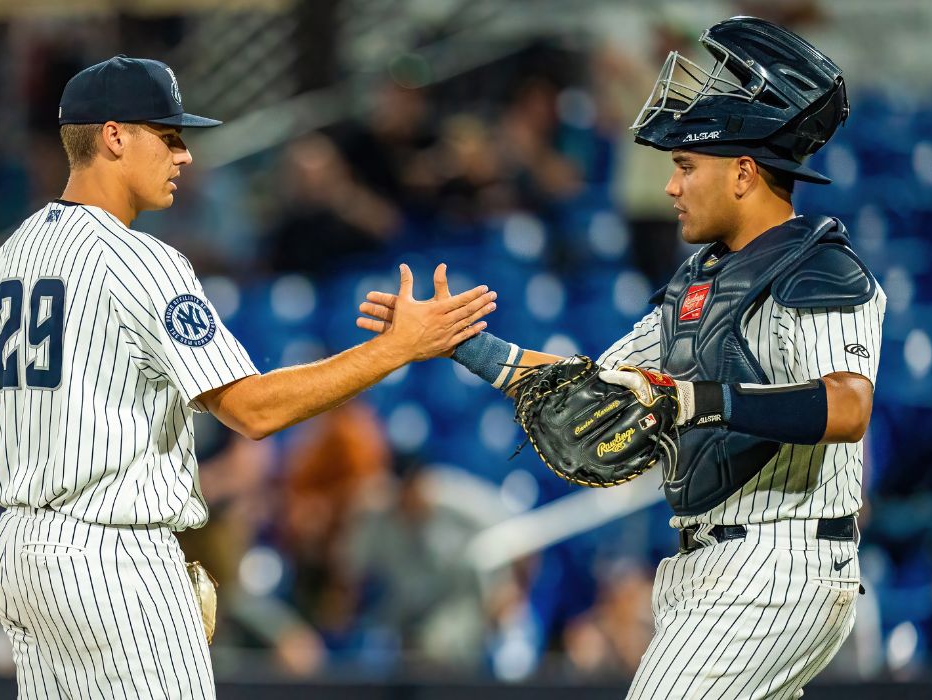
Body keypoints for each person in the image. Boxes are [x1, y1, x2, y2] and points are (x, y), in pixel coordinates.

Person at [359, 17, 883, 698]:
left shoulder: (819, 269)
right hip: (711, 565)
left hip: (778, 560)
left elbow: (848, 405)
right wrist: (464, 343)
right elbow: (599, 384)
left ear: (745, 174)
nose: (671, 186)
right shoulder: (702, 281)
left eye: (686, 166)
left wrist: (696, 400)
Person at [0, 55, 496, 699]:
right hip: (113, 556)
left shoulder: (11, 255)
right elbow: (254, 411)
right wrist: (397, 348)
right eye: (169, 135)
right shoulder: (142, 261)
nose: (184, 156)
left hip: (22, 555)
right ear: (114, 136)